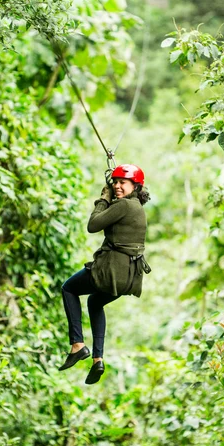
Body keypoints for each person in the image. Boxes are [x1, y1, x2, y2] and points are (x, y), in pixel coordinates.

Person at [59, 164, 151, 384]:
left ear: (135, 186)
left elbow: (93, 225)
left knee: (68, 288)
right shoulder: (136, 206)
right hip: (128, 278)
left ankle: (77, 344)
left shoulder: (125, 206)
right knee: (95, 302)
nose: (118, 186)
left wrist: (103, 198)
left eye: (123, 183)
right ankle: (98, 359)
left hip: (111, 271)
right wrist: (112, 193)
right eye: (115, 182)